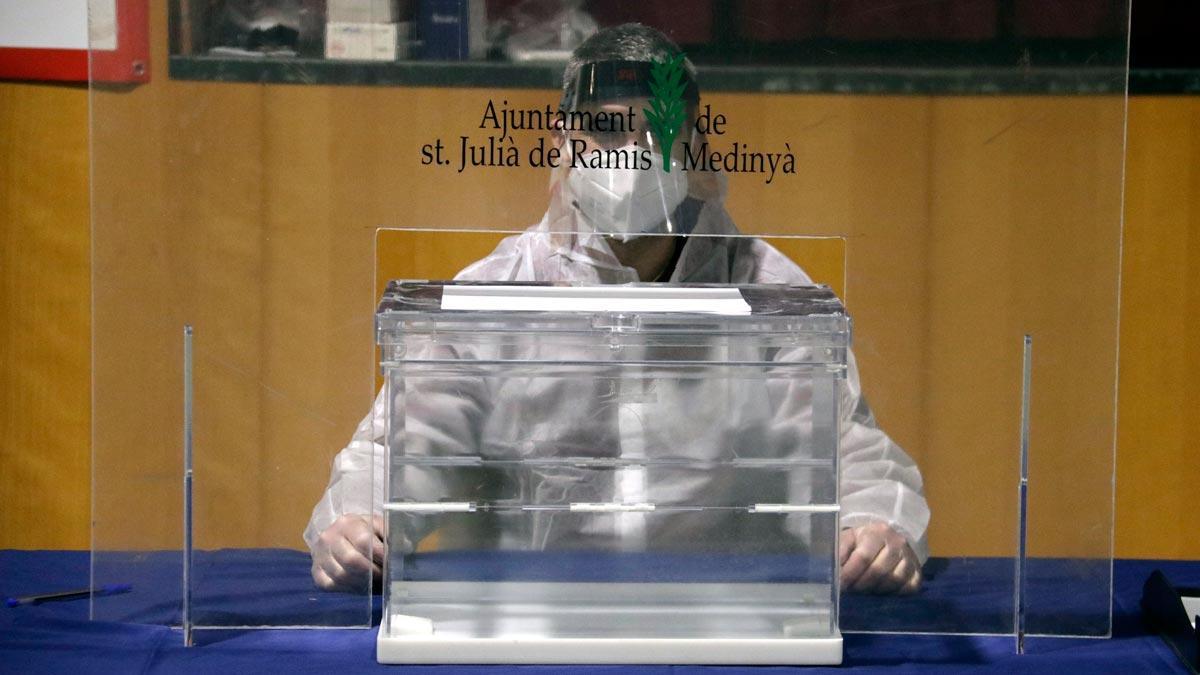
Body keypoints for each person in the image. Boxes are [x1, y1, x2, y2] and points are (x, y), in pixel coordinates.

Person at [306, 23, 929, 597]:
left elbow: (844, 449)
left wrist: (874, 525)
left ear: (694, 144)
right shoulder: (498, 292)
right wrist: (360, 520)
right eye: (605, 129)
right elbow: (402, 448)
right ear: (563, 141)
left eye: (658, 129)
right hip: (527, 620)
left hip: (726, 615)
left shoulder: (769, 296)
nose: (630, 153)